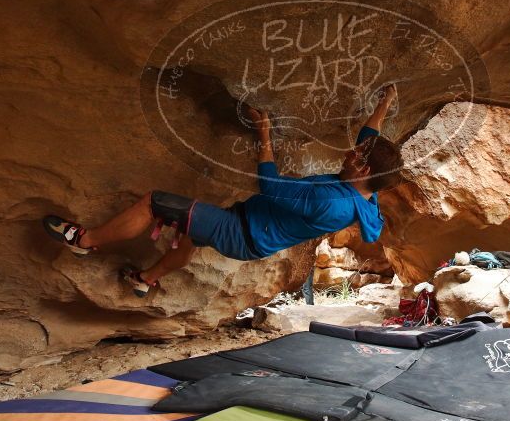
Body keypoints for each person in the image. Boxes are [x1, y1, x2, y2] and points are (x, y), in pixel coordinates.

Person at [43, 85, 403, 297]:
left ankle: (84, 241)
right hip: (247, 227)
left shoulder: (332, 202)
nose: (349, 152)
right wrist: (383, 105)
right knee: (188, 236)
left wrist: (263, 135)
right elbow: (368, 139)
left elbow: (270, 185)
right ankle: (144, 280)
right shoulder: (363, 192)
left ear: (365, 170)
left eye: (355, 155)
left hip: (240, 233)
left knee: (156, 203)